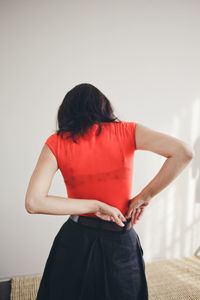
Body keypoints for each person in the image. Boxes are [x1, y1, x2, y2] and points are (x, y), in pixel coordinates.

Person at [25, 83, 194, 300]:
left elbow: (34, 202)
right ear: (104, 107)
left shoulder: (56, 142)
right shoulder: (128, 131)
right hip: (120, 238)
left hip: (75, 240)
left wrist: (94, 206)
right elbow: (184, 152)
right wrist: (145, 196)